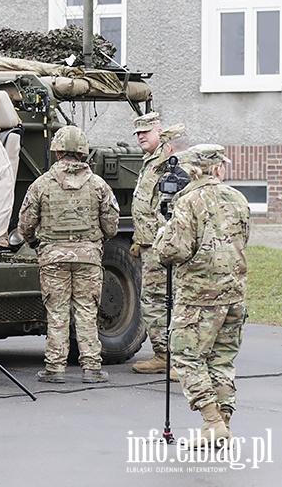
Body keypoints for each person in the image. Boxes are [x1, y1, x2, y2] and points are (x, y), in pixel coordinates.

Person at [154, 144, 250, 448]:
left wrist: (161, 233)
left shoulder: (187, 201)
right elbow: (243, 237)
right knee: (222, 359)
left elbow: (171, 251)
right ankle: (223, 425)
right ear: (218, 168)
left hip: (198, 297)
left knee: (185, 355)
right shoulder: (239, 198)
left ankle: (211, 420)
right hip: (234, 294)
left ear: (191, 170)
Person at [18, 125, 120, 384]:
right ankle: (91, 368)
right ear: (83, 152)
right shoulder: (99, 185)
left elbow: (26, 224)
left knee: (57, 312)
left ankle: (55, 368)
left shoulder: (41, 184)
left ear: (57, 151)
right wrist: (93, 242)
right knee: (87, 310)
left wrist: (36, 243)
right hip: (88, 257)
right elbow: (111, 224)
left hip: (53, 258)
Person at [129, 113, 188, 376]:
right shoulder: (150, 162)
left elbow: (171, 204)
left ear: (159, 132)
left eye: (146, 131)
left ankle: (174, 357)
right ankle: (164, 354)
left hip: (162, 244)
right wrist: (138, 240)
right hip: (149, 243)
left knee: (161, 300)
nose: (141, 136)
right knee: (154, 300)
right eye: (138, 133)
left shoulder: (168, 160)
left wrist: (162, 241)